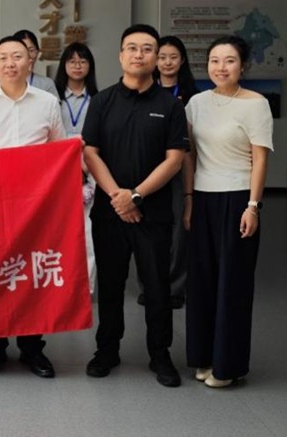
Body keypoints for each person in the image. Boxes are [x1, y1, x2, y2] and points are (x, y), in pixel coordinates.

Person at [81, 24, 189, 388]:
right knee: (110, 286)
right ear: (120, 56)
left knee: (158, 287)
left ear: (156, 58)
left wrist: (136, 195)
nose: (138, 54)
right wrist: (118, 197)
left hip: (153, 213)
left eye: (146, 49)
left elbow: (174, 159)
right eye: (131, 48)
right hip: (110, 212)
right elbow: (90, 153)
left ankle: (160, 354)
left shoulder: (169, 105)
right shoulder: (102, 101)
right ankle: (106, 350)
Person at [0, 35, 66, 379]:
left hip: (36, 206)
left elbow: (58, 152)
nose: (10, 63)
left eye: (17, 56)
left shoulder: (47, 102)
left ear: (29, 61)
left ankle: (33, 348)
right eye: (3, 57)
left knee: (31, 274)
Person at [183, 35, 273, 388]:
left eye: (230, 60)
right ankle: (203, 357)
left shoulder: (256, 104)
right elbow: (189, 156)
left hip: (237, 199)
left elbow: (260, 159)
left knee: (232, 284)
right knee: (201, 282)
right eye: (215, 60)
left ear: (243, 66)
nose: (221, 67)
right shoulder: (196, 103)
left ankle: (228, 366)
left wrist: (253, 206)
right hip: (203, 199)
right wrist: (189, 199)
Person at [137, 35, 198, 309]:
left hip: (180, 167)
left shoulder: (193, 96)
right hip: (147, 168)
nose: (167, 62)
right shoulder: (144, 91)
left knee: (178, 232)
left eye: (173, 57)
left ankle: (175, 288)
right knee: (146, 229)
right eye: (162, 57)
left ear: (182, 60)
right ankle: (148, 286)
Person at [54, 42, 99, 294]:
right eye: (72, 61)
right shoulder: (53, 99)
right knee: (58, 229)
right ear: (64, 65)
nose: (77, 66)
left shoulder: (98, 99)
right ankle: (59, 283)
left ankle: (85, 288)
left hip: (90, 167)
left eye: (83, 61)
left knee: (88, 230)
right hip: (58, 169)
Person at [14, 29, 59, 98]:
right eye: (21, 51)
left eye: (31, 50)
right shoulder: (2, 83)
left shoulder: (47, 84)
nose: (27, 55)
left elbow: (54, 104)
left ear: (37, 52)